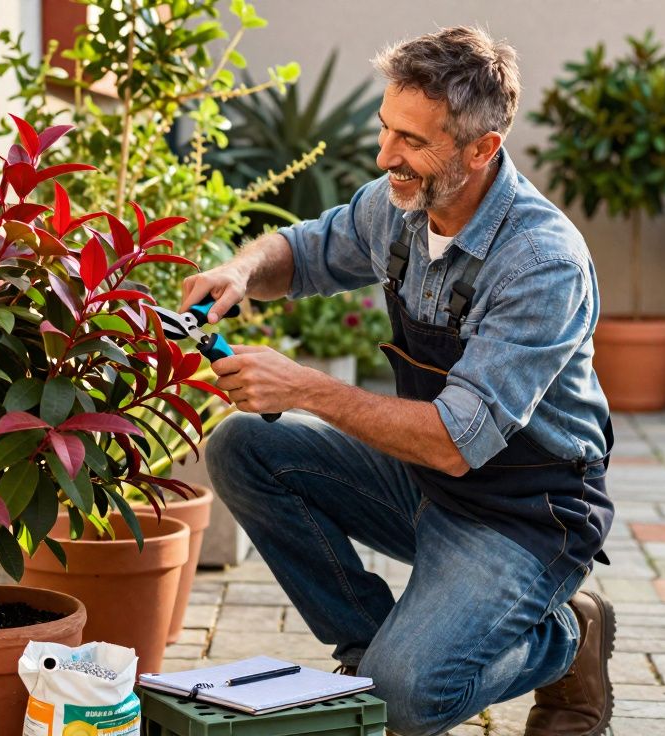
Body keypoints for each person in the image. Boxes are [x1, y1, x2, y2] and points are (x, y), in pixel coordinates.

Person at [183, 26, 616, 736]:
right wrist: (240, 272)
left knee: (409, 700)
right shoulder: (402, 202)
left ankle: (566, 639)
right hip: (424, 482)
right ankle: (370, 654)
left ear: (482, 150)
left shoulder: (542, 261)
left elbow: (456, 442)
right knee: (242, 449)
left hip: (522, 514)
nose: (387, 156)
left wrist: (305, 387)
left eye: (412, 141)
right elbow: (304, 248)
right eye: (386, 130)